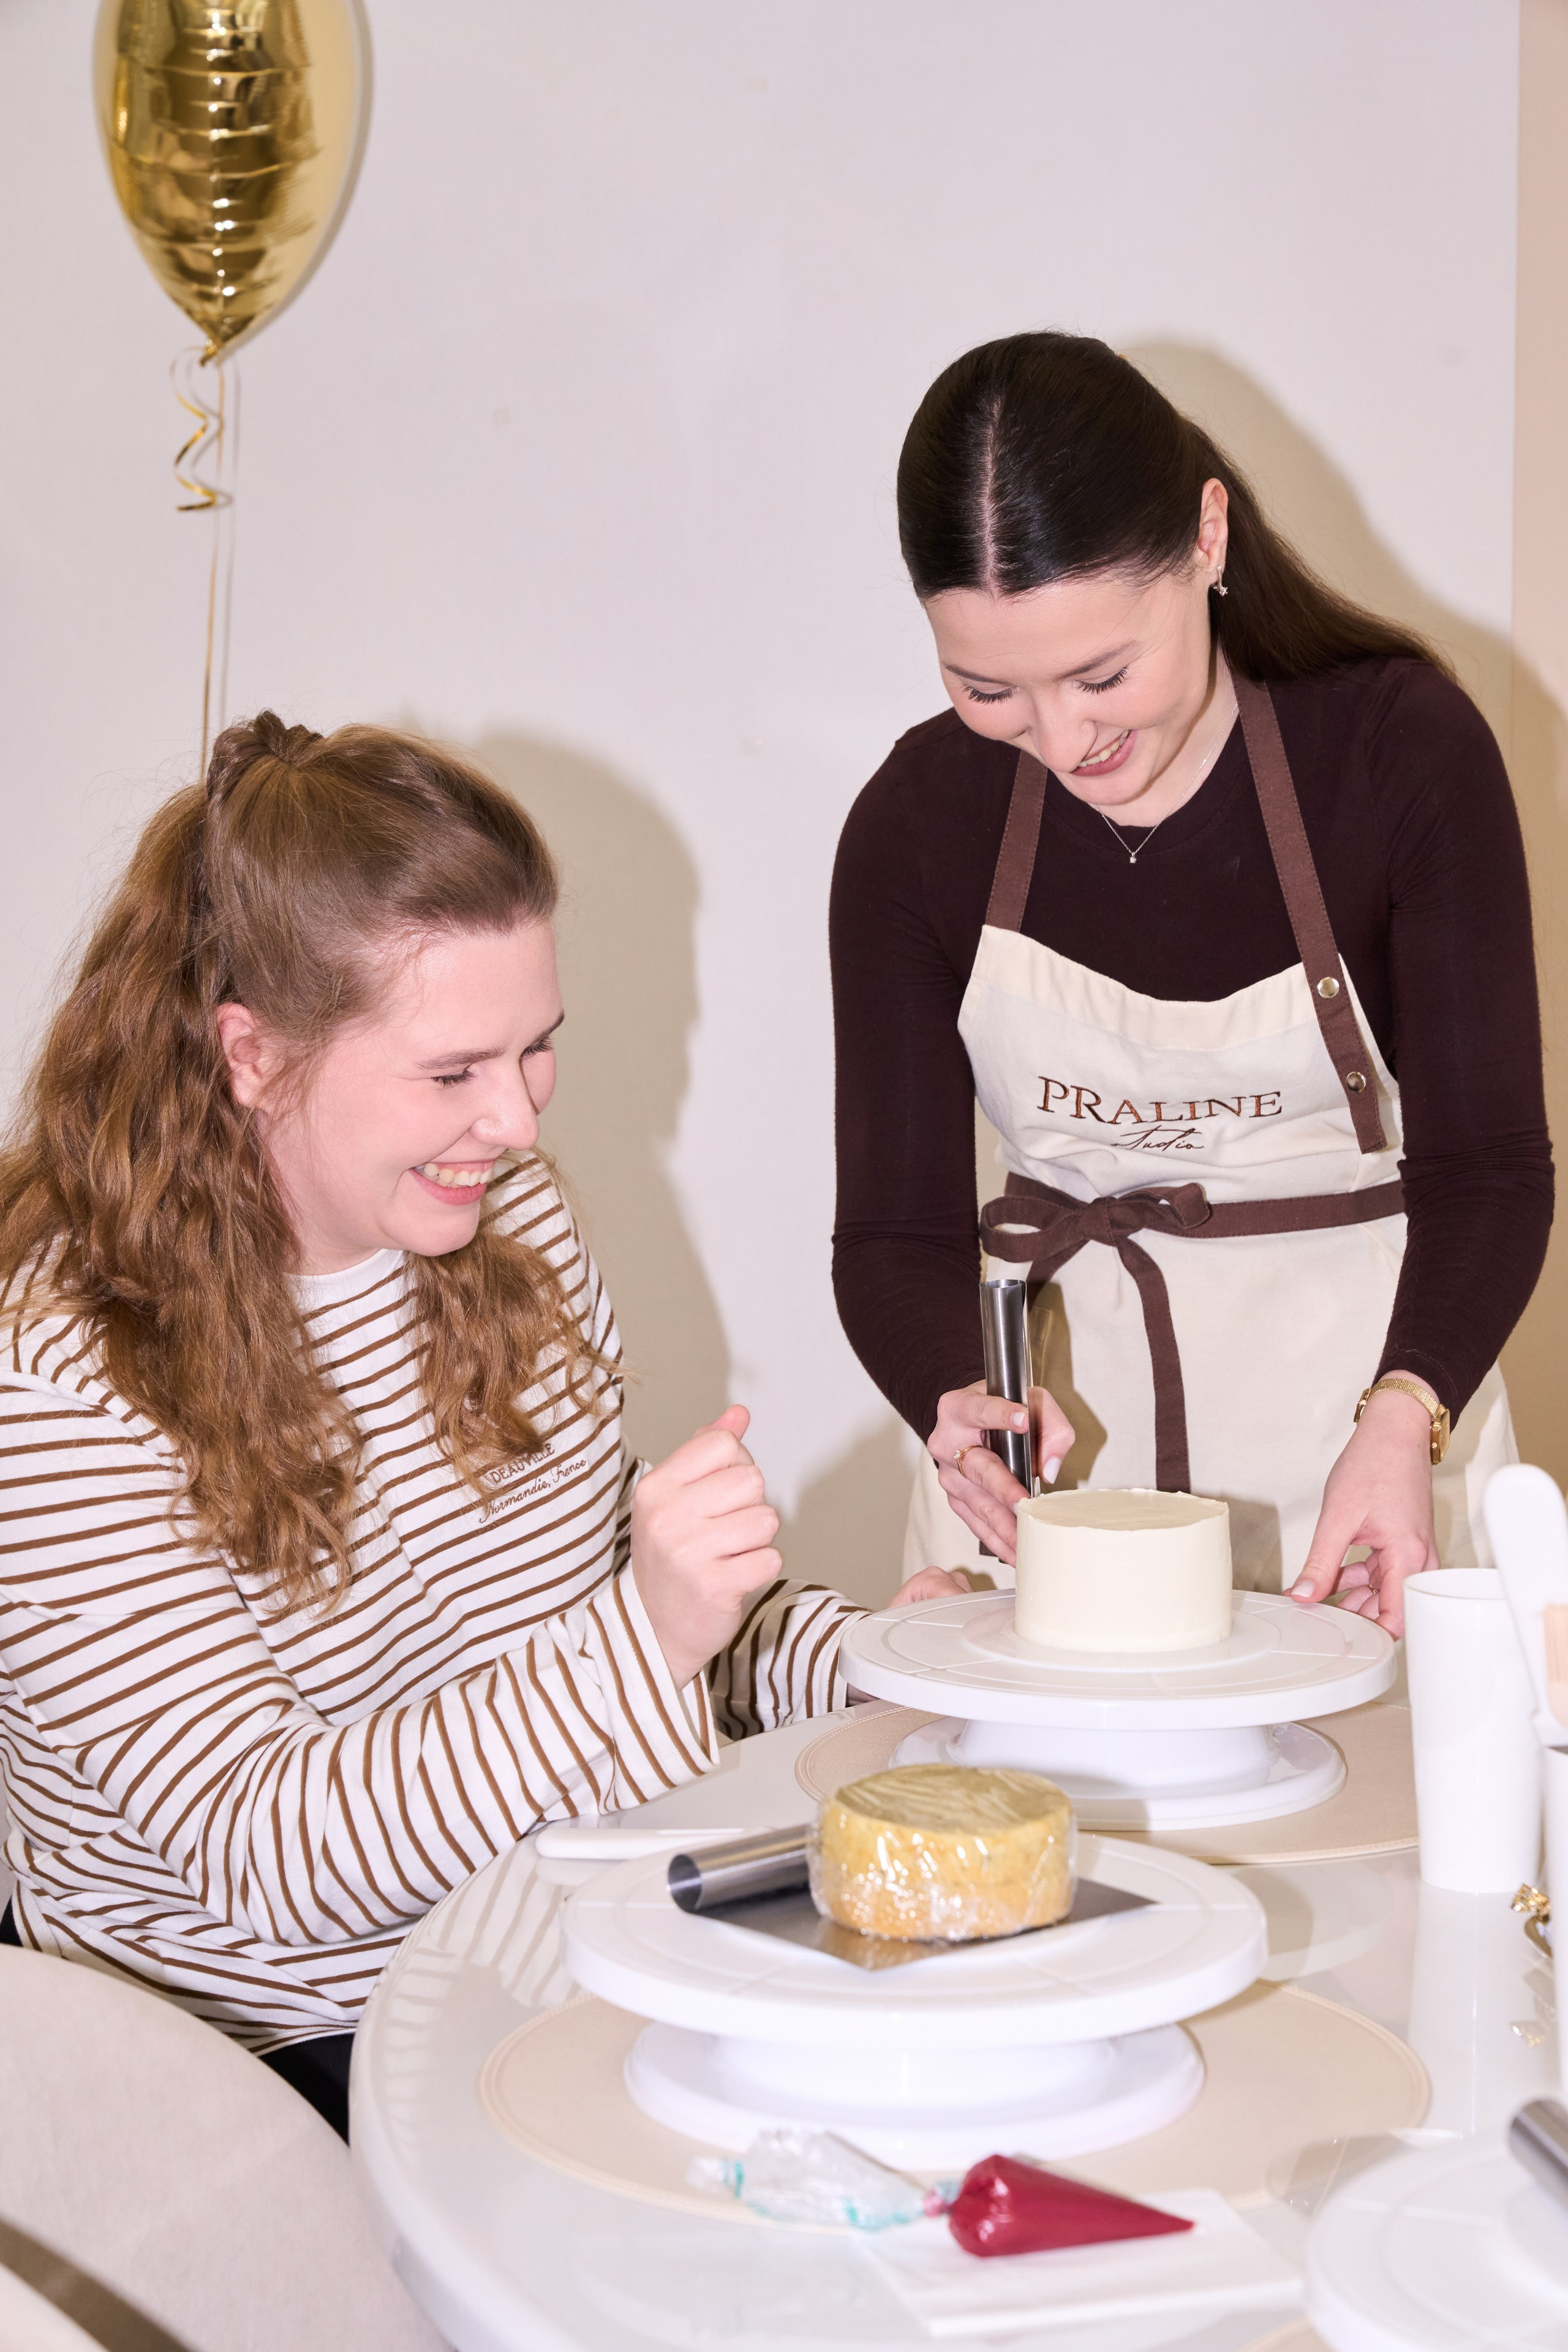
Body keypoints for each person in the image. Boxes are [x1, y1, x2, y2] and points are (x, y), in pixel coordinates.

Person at [0, 715, 959, 2138]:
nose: (512, 1122)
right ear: (250, 1056)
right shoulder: (64, 1385)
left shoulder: (501, 1223)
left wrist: (875, 1656)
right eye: (450, 1073)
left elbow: (591, 1603)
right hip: (260, 2061)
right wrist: (649, 1637)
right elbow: (273, 1858)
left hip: (534, 1938)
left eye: (535, 1051)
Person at [831, 331, 1552, 1634]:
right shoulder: (914, 825)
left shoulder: (1398, 758)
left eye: (1102, 674)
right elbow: (891, 1236)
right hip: (1051, 1500)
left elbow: (1490, 1169)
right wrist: (951, 1398)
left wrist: (1406, 1415)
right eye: (985, 687)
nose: (1060, 741)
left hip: (1370, 1456)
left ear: (1206, 541)